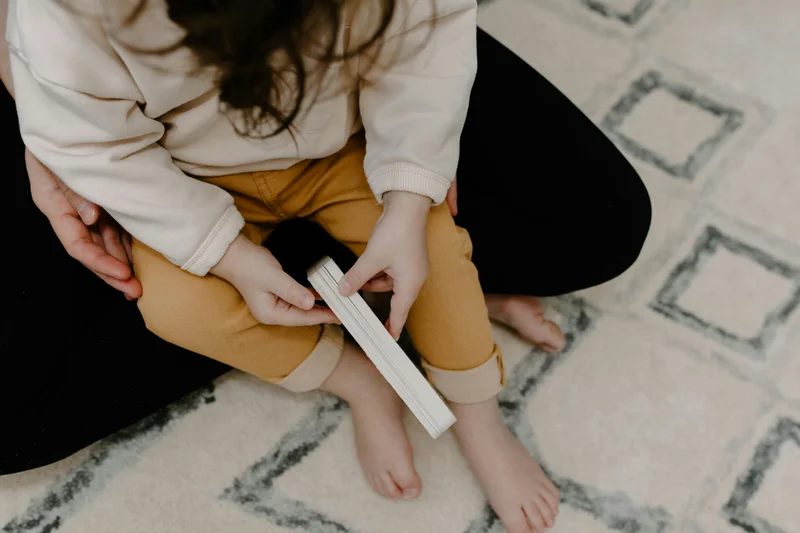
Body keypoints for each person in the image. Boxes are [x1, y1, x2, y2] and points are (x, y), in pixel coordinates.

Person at [4, 1, 651, 532]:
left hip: (340, 148)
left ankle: (478, 416)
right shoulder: (67, 21)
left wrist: (407, 192)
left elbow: (425, 43)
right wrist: (224, 254)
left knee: (444, 253)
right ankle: (356, 374)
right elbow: (95, 146)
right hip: (187, 180)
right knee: (168, 306)